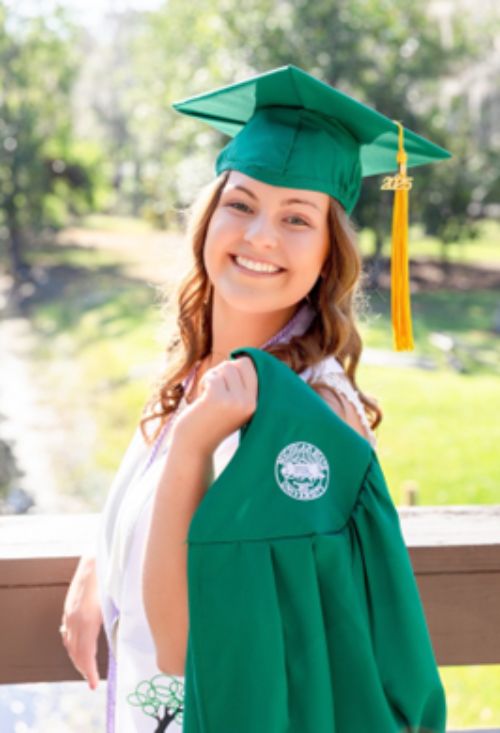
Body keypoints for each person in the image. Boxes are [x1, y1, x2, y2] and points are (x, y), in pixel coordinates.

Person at [60, 65, 450, 732]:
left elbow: (190, 649)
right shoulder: (196, 370)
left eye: (297, 217)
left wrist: (192, 446)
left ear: (330, 255)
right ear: (209, 219)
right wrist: (101, 558)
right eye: (241, 203)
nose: (260, 235)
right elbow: (170, 517)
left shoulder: (311, 418)